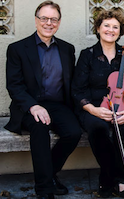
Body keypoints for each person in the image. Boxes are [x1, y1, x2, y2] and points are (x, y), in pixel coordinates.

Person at [5, 1, 82, 199]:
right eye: (44, 18)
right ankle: (45, 189)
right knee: (39, 128)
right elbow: (14, 85)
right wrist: (33, 106)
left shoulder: (67, 49)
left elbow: (71, 83)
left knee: (73, 132)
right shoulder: (17, 49)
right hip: (28, 106)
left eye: (54, 19)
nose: (49, 23)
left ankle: (49, 174)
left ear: (59, 22)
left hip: (57, 106)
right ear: (36, 20)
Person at [71, 9, 124, 198]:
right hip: (94, 106)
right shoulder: (87, 55)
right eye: (106, 25)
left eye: (115, 27)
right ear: (98, 28)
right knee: (98, 129)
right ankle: (110, 176)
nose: (111, 30)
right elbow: (78, 89)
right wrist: (93, 110)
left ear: (120, 31)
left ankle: (117, 178)